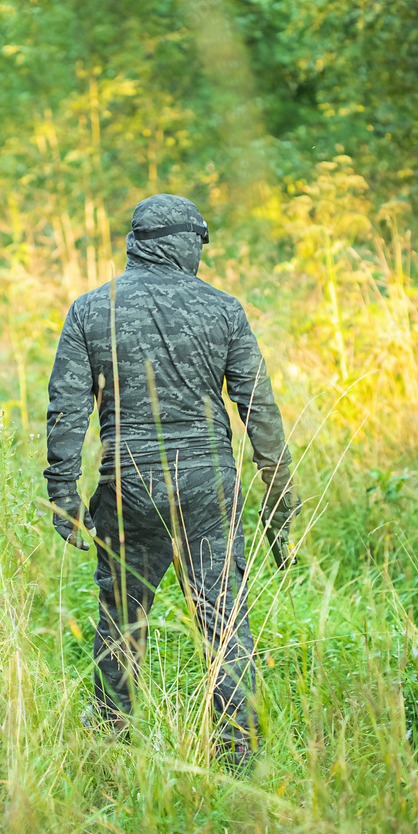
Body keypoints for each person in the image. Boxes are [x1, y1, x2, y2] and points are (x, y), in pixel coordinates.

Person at [44, 193, 298, 772]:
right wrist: (279, 505)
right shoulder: (224, 310)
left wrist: (63, 492)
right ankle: (237, 755)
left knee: (121, 617)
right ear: (185, 240)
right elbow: (261, 413)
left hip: (127, 487)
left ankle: (111, 741)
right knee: (223, 620)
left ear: (139, 241)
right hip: (210, 489)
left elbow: (66, 407)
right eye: (201, 243)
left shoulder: (90, 309)